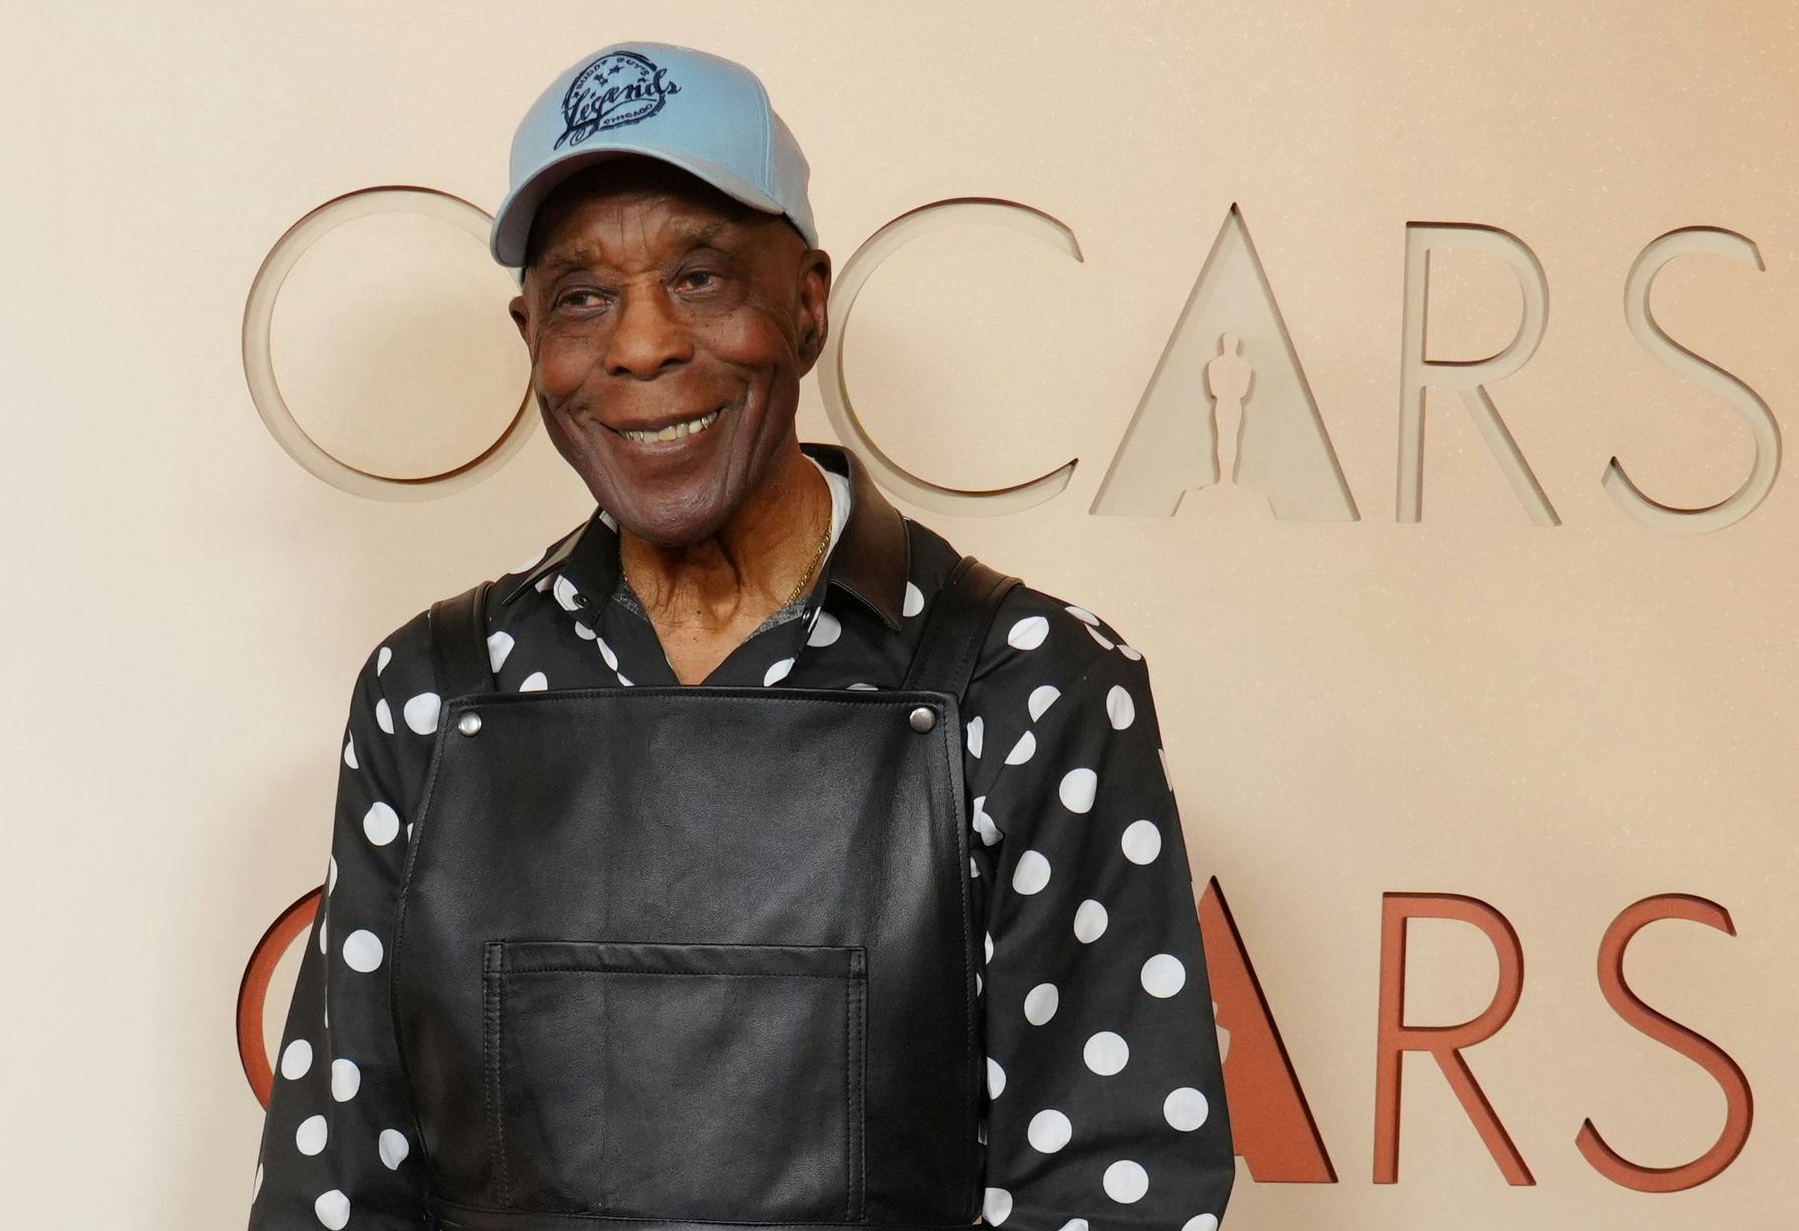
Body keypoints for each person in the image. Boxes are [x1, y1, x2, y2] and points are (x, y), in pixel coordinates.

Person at [247, 40, 1236, 1231]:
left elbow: (1112, 1184)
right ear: (530, 339)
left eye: (702, 277)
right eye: (582, 298)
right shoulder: (430, 695)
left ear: (807, 301)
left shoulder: (1031, 690)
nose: (642, 344)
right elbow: (336, 1184)